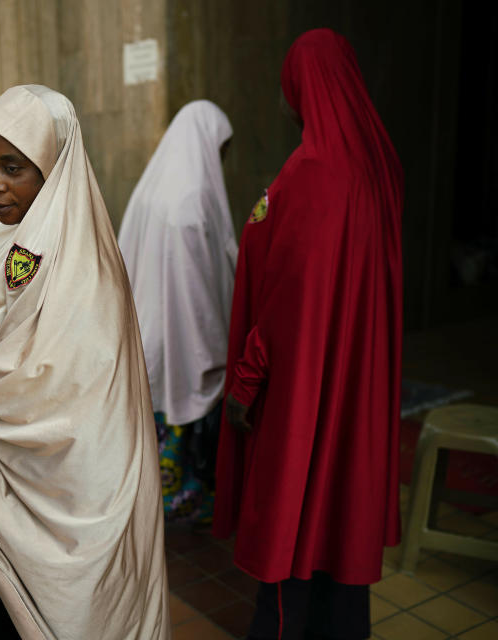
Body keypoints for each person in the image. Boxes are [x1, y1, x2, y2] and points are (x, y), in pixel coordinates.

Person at [0, 85, 170, 640]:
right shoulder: (6, 243)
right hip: (3, 500)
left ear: (54, 165)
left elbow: (26, 395)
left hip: (68, 504)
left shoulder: (79, 265)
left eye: (13, 167)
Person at [213, 29, 403, 639]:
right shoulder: (379, 166)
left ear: (305, 86)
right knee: (341, 510)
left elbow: (291, 304)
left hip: (301, 387)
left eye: (285, 80)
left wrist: (245, 381)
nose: (279, 95)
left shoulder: (312, 174)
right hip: (356, 381)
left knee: (296, 519)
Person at [118, 100, 236, 525]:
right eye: (222, 148)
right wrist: (217, 342)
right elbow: (196, 291)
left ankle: (156, 501)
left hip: (147, 332)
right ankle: (184, 504)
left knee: (155, 420)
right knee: (182, 416)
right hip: (180, 337)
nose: (222, 158)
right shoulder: (192, 199)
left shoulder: (152, 189)